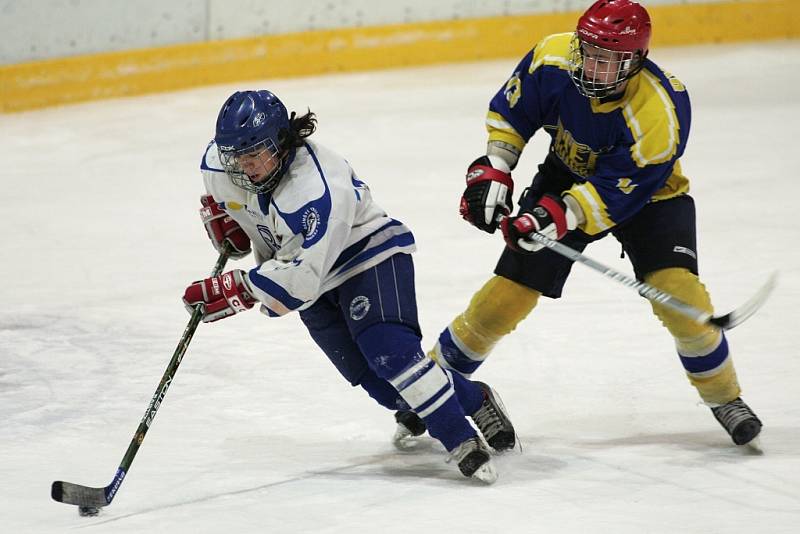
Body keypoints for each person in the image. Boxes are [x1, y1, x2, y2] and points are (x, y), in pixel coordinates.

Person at [423, 0, 762, 447]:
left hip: (651, 197)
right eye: (588, 53)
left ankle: (724, 397)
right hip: (565, 174)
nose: (591, 67)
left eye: (607, 61)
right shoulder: (553, 58)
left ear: (635, 61)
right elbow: (511, 115)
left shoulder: (659, 111)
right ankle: (431, 391)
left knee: (682, 299)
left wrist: (553, 217)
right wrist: (494, 169)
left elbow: (617, 191)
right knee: (504, 298)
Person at [181, 89, 516, 484]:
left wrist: (236, 288)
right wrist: (233, 221)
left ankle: (461, 441)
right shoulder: (224, 164)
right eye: (238, 156)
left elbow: (301, 280)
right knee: (386, 389)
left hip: (366, 256)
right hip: (305, 276)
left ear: (283, 141)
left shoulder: (315, 189)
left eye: (256, 153)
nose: (246, 166)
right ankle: (474, 397)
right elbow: (228, 200)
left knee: (391, 355)